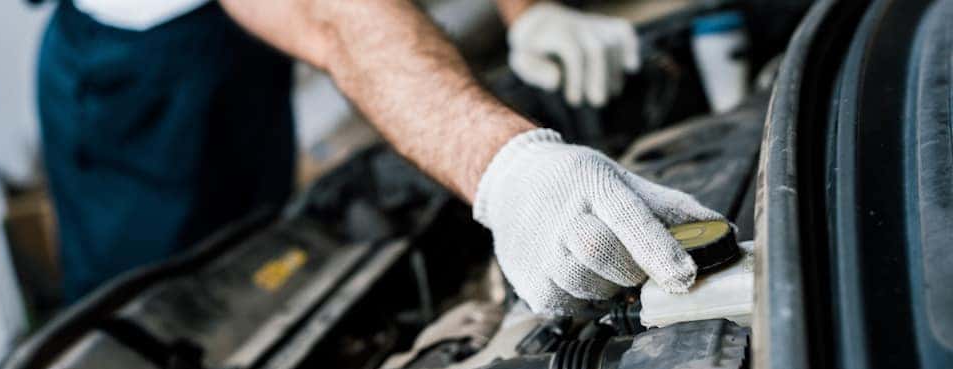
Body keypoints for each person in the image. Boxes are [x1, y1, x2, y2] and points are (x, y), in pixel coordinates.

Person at [38, 0, 726, 316]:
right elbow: (331, 14)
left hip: (233, 44)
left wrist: (528, 11)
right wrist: (508, 166)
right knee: (178, 305)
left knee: (268, 248)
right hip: (141, 75)